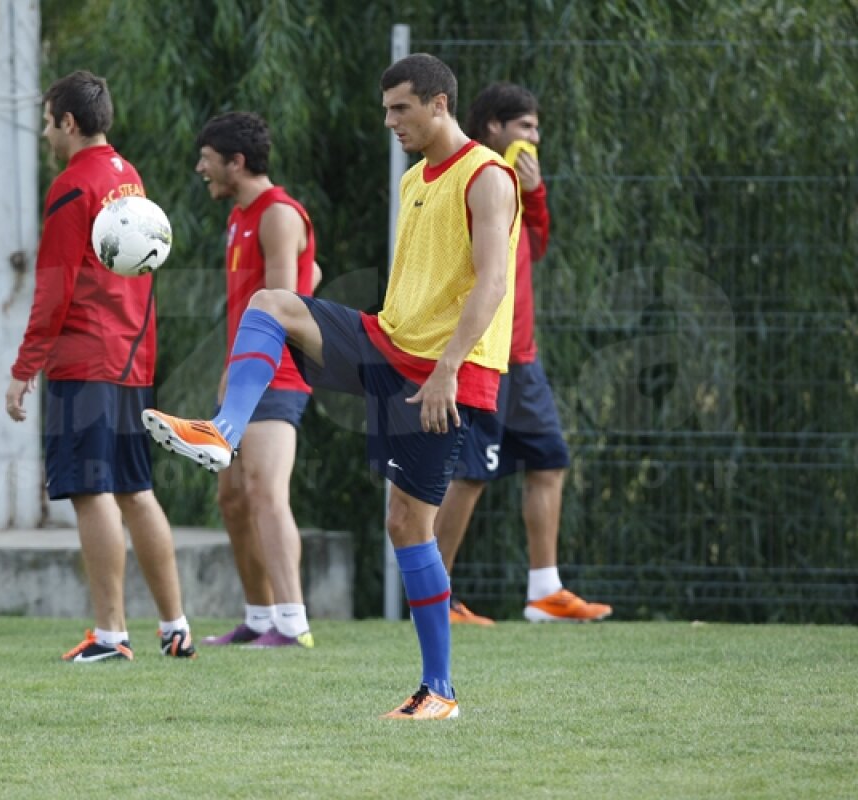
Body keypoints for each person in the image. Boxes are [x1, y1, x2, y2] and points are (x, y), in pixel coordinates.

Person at [143, 53, 518, 718]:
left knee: (407, 524)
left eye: (400, 108)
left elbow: (492, 282)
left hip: (443, 373)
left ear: (439, 104)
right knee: (271, 304)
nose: (389, 122)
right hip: (387, 343)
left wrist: (447, 368)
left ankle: (441, 691)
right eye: (385, 110)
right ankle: (222, 430)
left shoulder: (487, 177)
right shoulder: (413, 180)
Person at [5, 70, 196, 663]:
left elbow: (55, 287)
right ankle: (176, 625)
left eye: (46, 121)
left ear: (68, 121)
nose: (43, 133)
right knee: (136, 490)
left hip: (86, 356)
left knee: (92, 492)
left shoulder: (72, 185)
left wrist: (23, 366)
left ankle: (110, 636)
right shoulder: (127, 177)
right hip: (132, 355)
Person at [437, 83, 612, 625]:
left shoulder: (516, 185)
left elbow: (532, 248)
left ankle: (544, 593)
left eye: (537, 128)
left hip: (524, 358)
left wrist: (535, 195)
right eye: (527, 128)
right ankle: (434, 596)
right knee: (469, 475)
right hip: (482, 357)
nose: (536, 138)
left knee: (549, 460)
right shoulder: (478, 177)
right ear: (494, 127)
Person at [192, 112, 318, 649]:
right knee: (233, 498)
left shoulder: (278, 215)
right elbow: (310, 274)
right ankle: (261, 617)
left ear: (235, 162)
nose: (201, 168)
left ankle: (293, 624)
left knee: (266, 492)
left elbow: (285, 305)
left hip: (274, 376)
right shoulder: (240, 216)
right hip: (244, 377)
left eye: (207, 158)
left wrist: (241, 373)